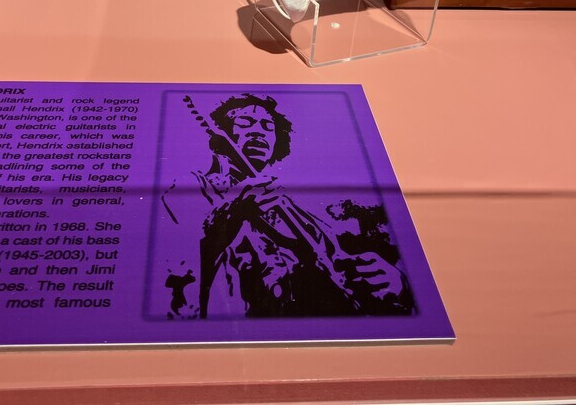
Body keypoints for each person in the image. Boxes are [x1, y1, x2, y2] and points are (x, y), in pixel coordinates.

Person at [155, 93, 413, 319]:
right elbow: (180, 260)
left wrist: (395, 282)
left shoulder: (293, 209)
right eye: (245, 122)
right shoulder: (192, 188)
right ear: (220, 134)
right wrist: (234, 211)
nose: (258, 132)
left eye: (268, 126)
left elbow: (338, 263)